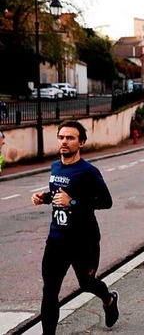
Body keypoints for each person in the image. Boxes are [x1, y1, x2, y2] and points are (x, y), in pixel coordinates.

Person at [31, 120, 118, 334]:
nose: (64, 142)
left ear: (81, 143)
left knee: (87, 283)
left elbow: (106, 202)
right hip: (57, 239)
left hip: (84, 241)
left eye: (70, 138)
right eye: (61, 137)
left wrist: (74, 202)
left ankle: (108, 299)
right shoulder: (55, 167)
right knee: (50, 291)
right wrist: (45, 198)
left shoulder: (89, 171)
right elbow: (58, 194)